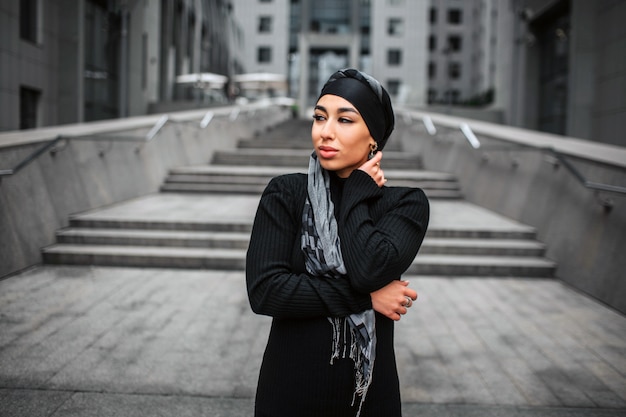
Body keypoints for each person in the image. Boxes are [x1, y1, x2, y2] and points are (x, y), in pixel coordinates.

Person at [246, 68, 430, 417]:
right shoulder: (286, 193)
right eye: (319, 117)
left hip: (367, 400)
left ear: (373, 137)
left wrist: (357, 193)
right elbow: (266, 291)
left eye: (345, 120)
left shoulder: (405, 204)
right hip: (289, 393)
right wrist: (366, 298)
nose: (325, 132)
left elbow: (369, 268)